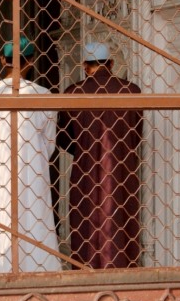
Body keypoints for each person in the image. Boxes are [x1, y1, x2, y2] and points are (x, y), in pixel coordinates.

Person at [0, 35, 61, 274]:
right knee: (36, 219)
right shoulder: (43, 95)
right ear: (30, 61)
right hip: (32, 171)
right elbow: (49, 142)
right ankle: (39, 271)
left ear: (2, 60)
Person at [57, 41, 143, 269]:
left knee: (86, 219)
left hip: (86, 171)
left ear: (85, 66)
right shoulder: (131, 91)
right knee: (121, 217)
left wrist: (86, 149)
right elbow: (136, 134)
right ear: (112, 64)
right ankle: (122, 267)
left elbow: (63, 138)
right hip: (122, 169)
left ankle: (87, 270)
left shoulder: (73, 92)